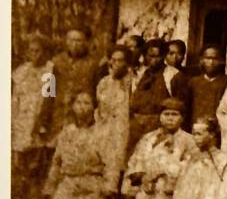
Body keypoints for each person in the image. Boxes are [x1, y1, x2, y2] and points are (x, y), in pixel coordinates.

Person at [38, 26, 99, 143]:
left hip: (82, 118)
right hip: (58, 116)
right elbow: (49, 92)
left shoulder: (95, 65)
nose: (74, 44)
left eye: (78, 40)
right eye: (71, 40)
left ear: (86, 42)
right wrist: (43, 120)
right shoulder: (57, 62)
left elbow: (97, 95)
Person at [13, 36, 52, 195]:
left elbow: (50, 97)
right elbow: (15, 99)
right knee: (20, 162)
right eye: (31, 51)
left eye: (38, 51)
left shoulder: (50, 71)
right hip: (22, 119)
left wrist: (42, 124)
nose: (35, 54)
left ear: (44, 52)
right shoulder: (21, 72)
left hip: (39, 120)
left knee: (37, 163)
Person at [94, 45, 134, 183]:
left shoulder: (133, 82)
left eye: (120, 60)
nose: (116, 64)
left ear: (127, 62)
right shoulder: (104, 83)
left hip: (123, 130)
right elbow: (98, 107)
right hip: (104, 131)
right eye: (113, 60)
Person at [127, 39, 172, 153]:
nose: (154, 60)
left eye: (158, 56)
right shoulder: (140, 74)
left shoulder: (172, 75)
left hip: (158, 124)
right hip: (137, 124)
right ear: (145, 56)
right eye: (150, 56)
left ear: (164, 56)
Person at [187, 45, 227, 128]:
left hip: (218, 128)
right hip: (197, 127)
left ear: (221, 61)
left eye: (215, 59)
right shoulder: (193, 82)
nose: (211, 62)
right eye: (208, 58)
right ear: (202, 60)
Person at [164, 39, 191, 116]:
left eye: (179, 54)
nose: (175, 57)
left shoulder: (187, 75)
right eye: (171, 53)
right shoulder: (162, 74)